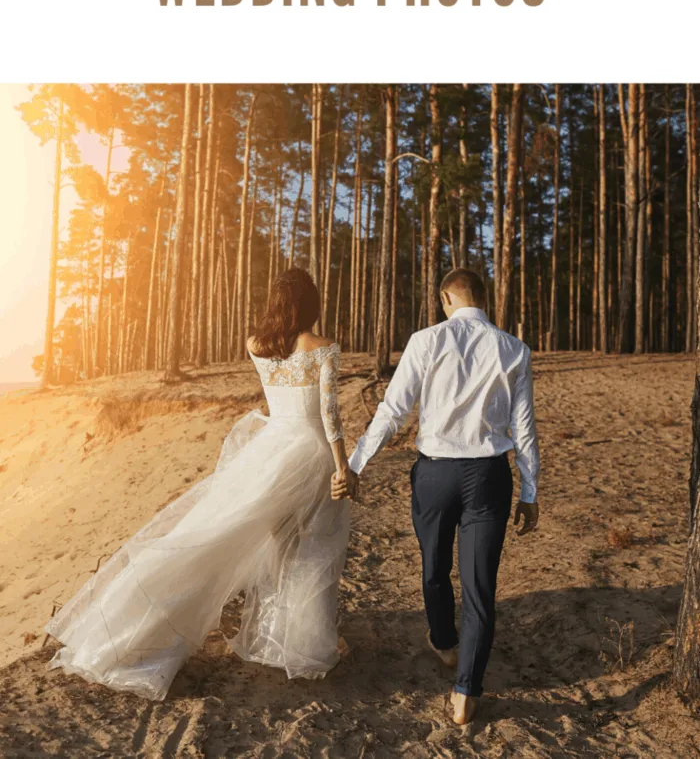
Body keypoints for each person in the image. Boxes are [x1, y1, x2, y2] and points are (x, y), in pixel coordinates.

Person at [46, 268, 355, 700]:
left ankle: (134, 621)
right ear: (312, 304)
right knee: (311, 549)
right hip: (311, 455)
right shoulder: (323, 348)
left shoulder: (255, 345)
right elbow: (330, 416)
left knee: (242, 539)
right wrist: (344, 468)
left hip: (270, 451)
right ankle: (298, 643)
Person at [332, 268, 540, 726]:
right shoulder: (514, 349)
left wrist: (355, 466)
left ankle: (445, 644)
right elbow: (523, 428)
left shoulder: (425, 341)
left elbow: (392, 409)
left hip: (435, 476)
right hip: (490, 476)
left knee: (433, 568)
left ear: (447, 297)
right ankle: (466, 693)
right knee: (480, 586)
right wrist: (530, 491)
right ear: (481, 299)